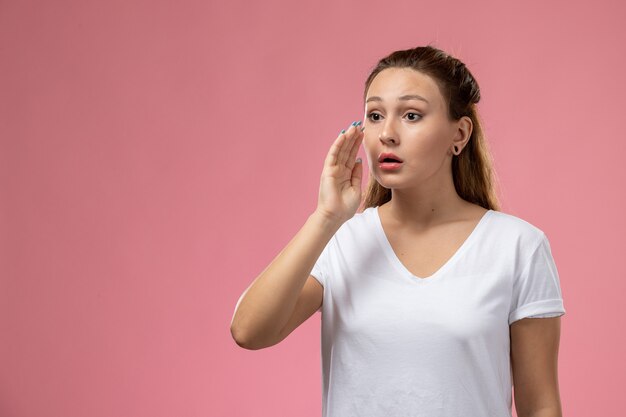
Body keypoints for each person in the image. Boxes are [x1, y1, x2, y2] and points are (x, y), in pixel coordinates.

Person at [230, 45, 566, 417]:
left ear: (460, 133)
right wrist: (326, 217)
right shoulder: (342, 240)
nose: (387, 133)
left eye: (411, 115)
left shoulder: (518, 246)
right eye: (374, 115)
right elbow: (250, 332)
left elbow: (541, 406)